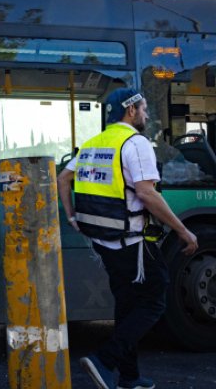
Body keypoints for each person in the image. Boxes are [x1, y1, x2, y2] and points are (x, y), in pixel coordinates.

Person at [57, 88, 198, 389]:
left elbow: (62, 179)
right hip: (132, 243)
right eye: (144, 108)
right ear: (130, 110)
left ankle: (129, 377)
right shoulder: (135, 143)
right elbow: (147, 194)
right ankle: (105, 359)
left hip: (103, 242)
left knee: (128, 304)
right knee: (154, 301)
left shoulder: (93, 144)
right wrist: (182, 230)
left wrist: (71, 217)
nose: (147, 114)